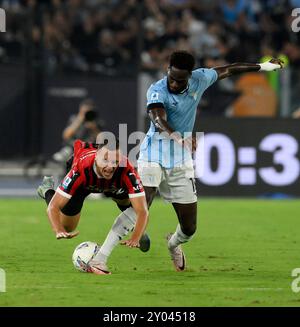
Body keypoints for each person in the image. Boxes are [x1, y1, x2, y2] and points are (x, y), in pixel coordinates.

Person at [137, 50, 284, 271]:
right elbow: (158, 119)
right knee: (144, 200)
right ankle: (136, 231)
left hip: (180, 159)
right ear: (167, 70)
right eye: (172, 77)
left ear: (189, 75)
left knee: (189, 228)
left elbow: (231, 69)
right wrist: (179, 137)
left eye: (180, 80)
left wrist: (263, 67)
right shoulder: (157, 89)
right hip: (153, 153)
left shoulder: (201, 78)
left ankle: (173, 244)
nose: (175, 84)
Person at [37, 135, 149, 275]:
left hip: (113, 185)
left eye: (115, 161)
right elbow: (54, 207)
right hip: (83, 186)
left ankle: (136, 228)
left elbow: (142, 211)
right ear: (96, 157)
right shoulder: (80, 169)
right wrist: (58, 230)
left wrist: (136, 237)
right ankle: (47, 190)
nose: (110, 166)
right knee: (68, 226)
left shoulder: (126, 169)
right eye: (105, 160)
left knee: (128, 203)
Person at [53, 98, 103, 163]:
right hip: (72, 148)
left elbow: (102, 140)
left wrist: (93, 127)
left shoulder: (97, 122)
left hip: (90, 149)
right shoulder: (74, 119)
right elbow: (66, 135)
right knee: (65, 154)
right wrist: (80, 119)